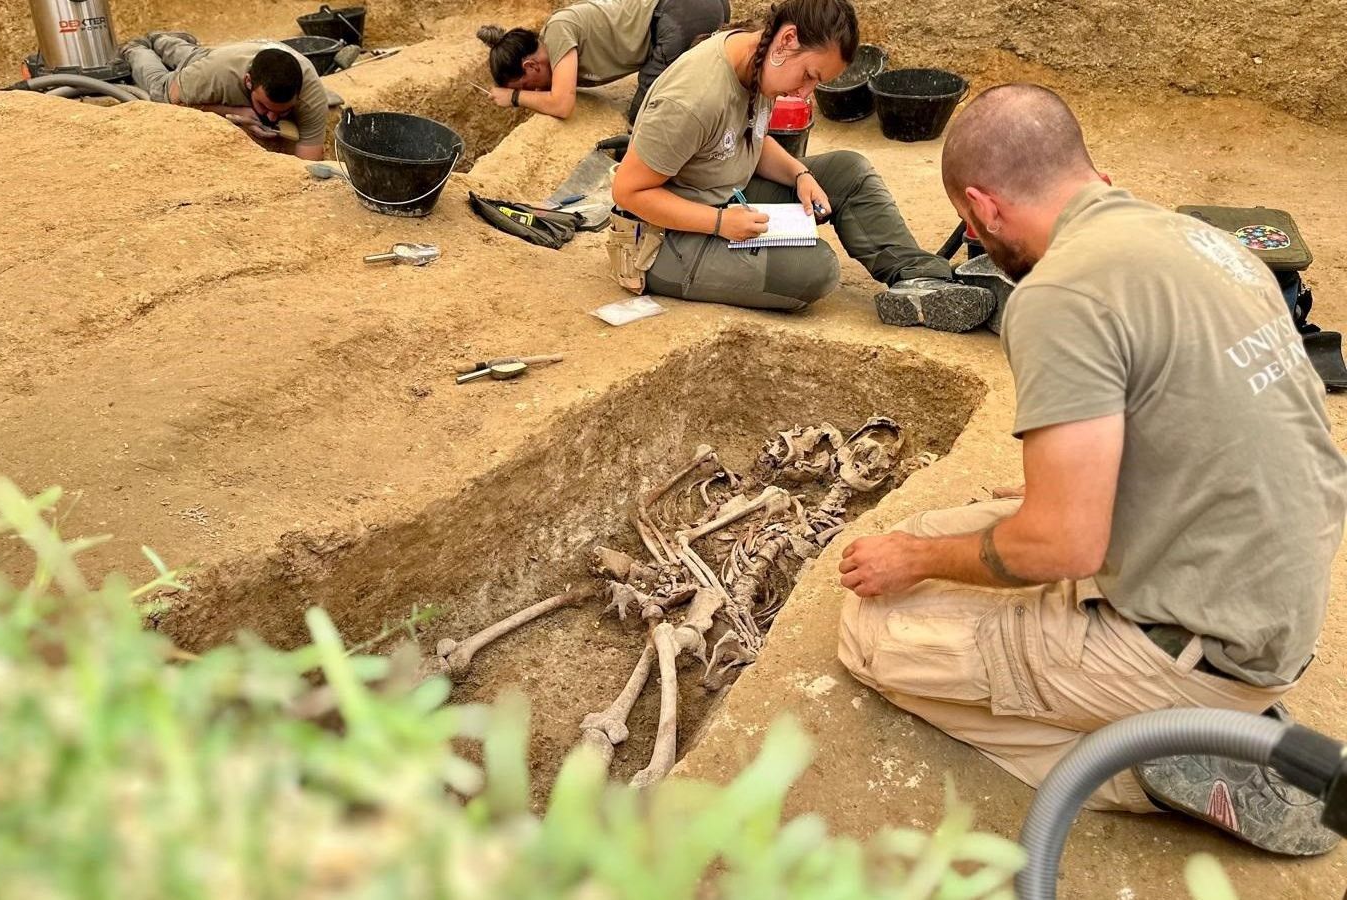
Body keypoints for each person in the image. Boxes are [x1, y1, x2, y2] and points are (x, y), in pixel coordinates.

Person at [837, 83, 1347, 855]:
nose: (977, 241)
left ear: (984, 208)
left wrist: (922, 560)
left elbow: (1063, 546)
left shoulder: (1057, 292)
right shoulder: (1192, 237)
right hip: (1263, 592)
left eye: (973, 228)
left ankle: (1160, 760)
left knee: (872, 632)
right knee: (932, 533)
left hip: (1207, 641)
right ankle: (1188, 713)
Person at [606, 0, 995, 329]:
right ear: (788, 39)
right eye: (809, 76)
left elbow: (748, 137)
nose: (806, 93)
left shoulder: (758, 59)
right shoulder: (692, 100)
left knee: (849, 171)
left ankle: (923, 282)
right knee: (814, 269)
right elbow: (628, 192)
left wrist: (799, 174)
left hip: (720, 196)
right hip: (659, 241)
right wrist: (721, 223)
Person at [477, 0, 730, 124]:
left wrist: (514, 97)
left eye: (527, 86)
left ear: (531, 66)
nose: (534, 91)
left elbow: (562, 104)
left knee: (642, 117)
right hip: (694, 11)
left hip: (683, 11)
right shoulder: (559, 46)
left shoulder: (557, 31)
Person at [121, 33, 329, 160]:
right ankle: (136, 47)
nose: (272, 118)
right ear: (248, 82)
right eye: (264, 107)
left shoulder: (311, 96)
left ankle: (160, 39)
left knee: (197, 55)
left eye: (283, 111)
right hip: (213, 66)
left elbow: (308, 162)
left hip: (226, 55)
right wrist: (232, 111)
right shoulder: (218, 76)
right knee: (161, 88)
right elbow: (176, 100)